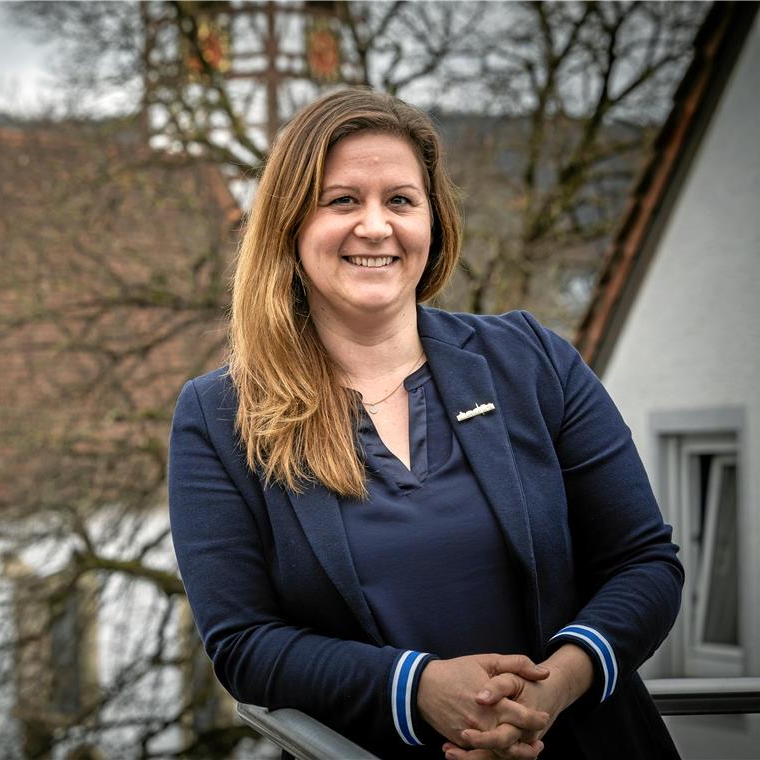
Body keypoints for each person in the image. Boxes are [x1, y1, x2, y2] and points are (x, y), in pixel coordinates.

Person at [167, 88, 684, 759]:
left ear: (433, 223)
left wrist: (557, 685)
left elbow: (644, 563)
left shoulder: (531, 361)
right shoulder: (221, 418)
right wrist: (417, 689)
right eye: (342, 200)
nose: (376, 226)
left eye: (401, 201)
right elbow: (244, 644)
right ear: (291, 224)